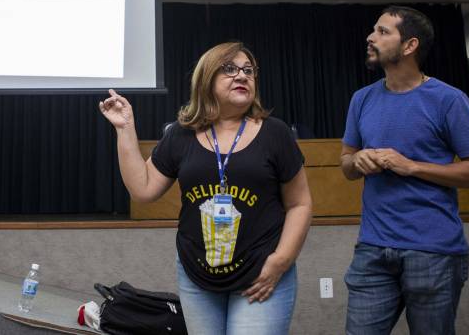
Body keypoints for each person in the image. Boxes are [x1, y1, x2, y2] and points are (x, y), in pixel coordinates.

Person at [99, 42, 312, 335]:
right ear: (206, 79)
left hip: (261, 272)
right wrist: (125, 129)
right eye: (230, 69)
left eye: (248, 70)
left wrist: (281, 260)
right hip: (198, 276)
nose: (242, 76)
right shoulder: (181, 135)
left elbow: (300, 204)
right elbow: (143, 189)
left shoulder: (274, 132)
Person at [340, 6, 469, 335]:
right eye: (373, 30)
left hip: (434, 252)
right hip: (372, 250)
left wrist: (411, 167)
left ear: (409, 46)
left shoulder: (448, 100)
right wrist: (358, 161)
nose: (370, 37)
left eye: (383, 32)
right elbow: (346, 164)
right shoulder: (361, 100)